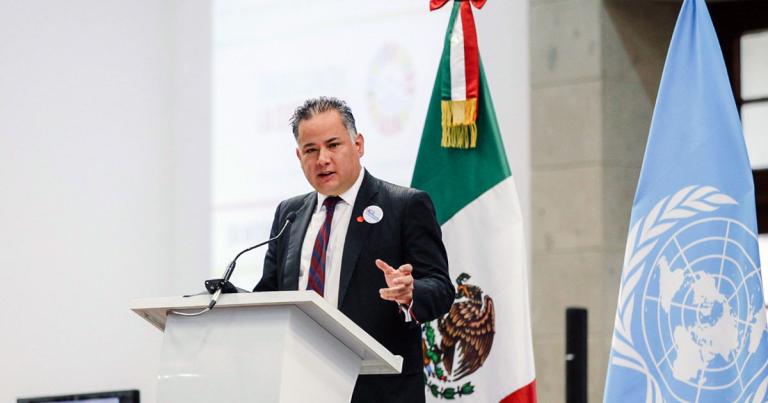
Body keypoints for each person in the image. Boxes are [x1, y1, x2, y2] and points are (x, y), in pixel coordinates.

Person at [254, 96, 454, 402]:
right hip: (301, 385)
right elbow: (270, 294)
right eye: (311, 149)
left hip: (380, 391)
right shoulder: (289, 214)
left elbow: (441, 288)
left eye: (333, 145)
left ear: (358, 144)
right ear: (299, 156)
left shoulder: (404, 206)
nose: (322, 158)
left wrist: (411, 292)